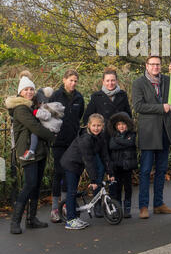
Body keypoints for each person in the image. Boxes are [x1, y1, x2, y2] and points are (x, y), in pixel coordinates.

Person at [5, 71, 56, 234]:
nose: (29, 92)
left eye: (31, 90)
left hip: (40, 150)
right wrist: (53, 137)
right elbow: (36, 127)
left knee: (36, 185)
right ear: (20, 92)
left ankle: (31, 218)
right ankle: (15, 221)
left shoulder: (33, 106)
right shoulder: (20, 108)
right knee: (29, 184)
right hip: (27, 151)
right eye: (26, 90)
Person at [132, 55, 171, 219]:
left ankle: (159, 204)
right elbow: (138, 106)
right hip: (149, 133)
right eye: (152, 64)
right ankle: (144, 207)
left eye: (158, 64)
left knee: (161, 170)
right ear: (147, 66)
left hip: (165, 132)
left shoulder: (166, 80)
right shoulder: (138, 83)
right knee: (145, 171)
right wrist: (161, 108)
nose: (156, 67)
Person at [83, 69, 132, 216]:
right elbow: (87, 118)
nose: (110, 83)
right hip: (100, 141)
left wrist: (125, 134)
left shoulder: (122, 96)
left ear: (116, 81)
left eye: (113, 80)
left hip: (117, 142)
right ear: (103, 82)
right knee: (99, 172)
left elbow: (128, 117)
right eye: (107, 80)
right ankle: (98, 205)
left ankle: (115, 205)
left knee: (115, 174)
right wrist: (95, 132)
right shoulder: (96, 97)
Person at [60, 114, 114, 229]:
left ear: (103, 126)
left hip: (78, 164)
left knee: (74, 190)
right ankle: (70, 220)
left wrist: (110, 172)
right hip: (71, 163)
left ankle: (75, 216)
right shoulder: (85, 138)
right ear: (88, 125)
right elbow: (89, 160)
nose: (96, 128)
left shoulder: (100, 137)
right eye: (94, 125)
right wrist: (94, 180)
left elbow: (105, 155)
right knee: (72, 191)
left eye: (99, 125)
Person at [48, 70, 85, 223]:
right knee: (58, 173)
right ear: (64, 80)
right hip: (58, 142)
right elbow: (48, 116)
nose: (73, 83)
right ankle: (55, 208)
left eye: (75, 81)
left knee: (69, 173)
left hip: (72, 142)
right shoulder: (56, 96)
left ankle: (65, 205)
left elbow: (79, 116)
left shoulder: (79, 97)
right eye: (70, 80)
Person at [107, 112, 138, 218]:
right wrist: (124, 142)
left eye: (124, 124)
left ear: (128, 125)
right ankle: (118, 207)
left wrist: (118, 141)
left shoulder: (131, 135)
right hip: (117, 166)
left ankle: (127, 207)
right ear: (116, 126)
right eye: (119, 124)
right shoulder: (113, 135)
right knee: (118, 187)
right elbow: (112, 145)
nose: (121, 126)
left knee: (128, 187)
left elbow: (131, 143)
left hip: (127, 166)